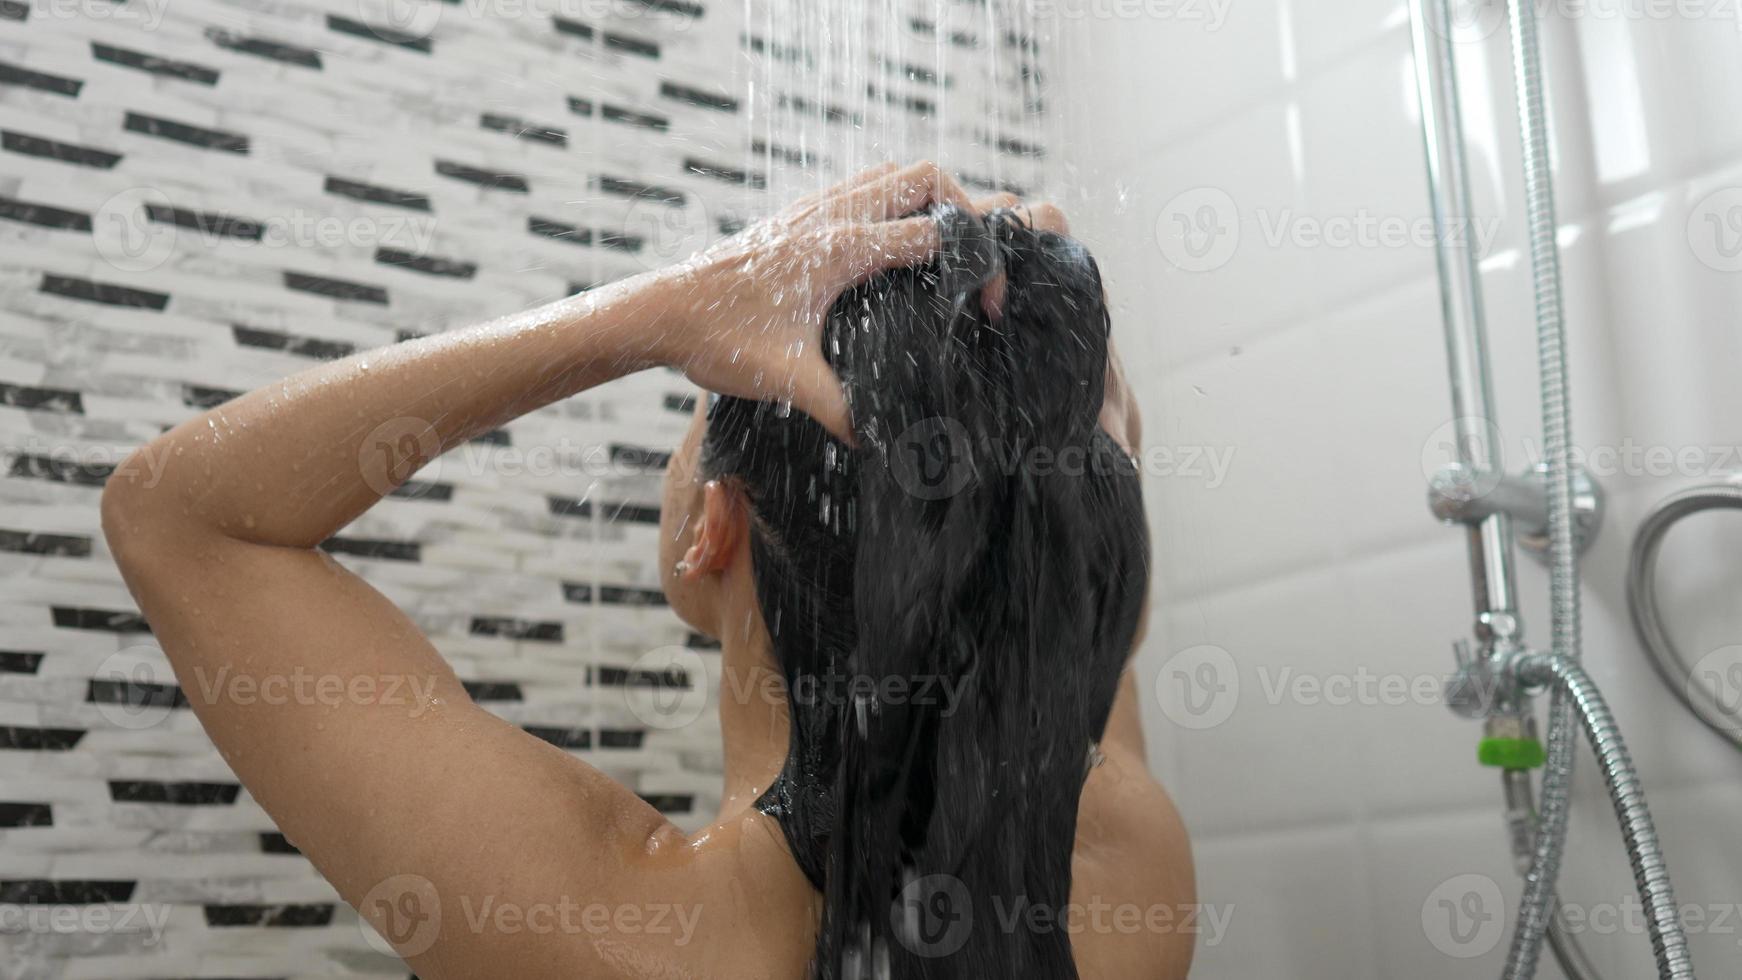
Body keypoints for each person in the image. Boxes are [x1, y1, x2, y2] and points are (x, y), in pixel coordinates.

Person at [100, 161, 1195, 979]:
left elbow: (177, 515)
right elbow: (1062, 595)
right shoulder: (1130, 876)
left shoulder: (617, 930)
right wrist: (1046, 410)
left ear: (712, 522)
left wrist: (662, 308)